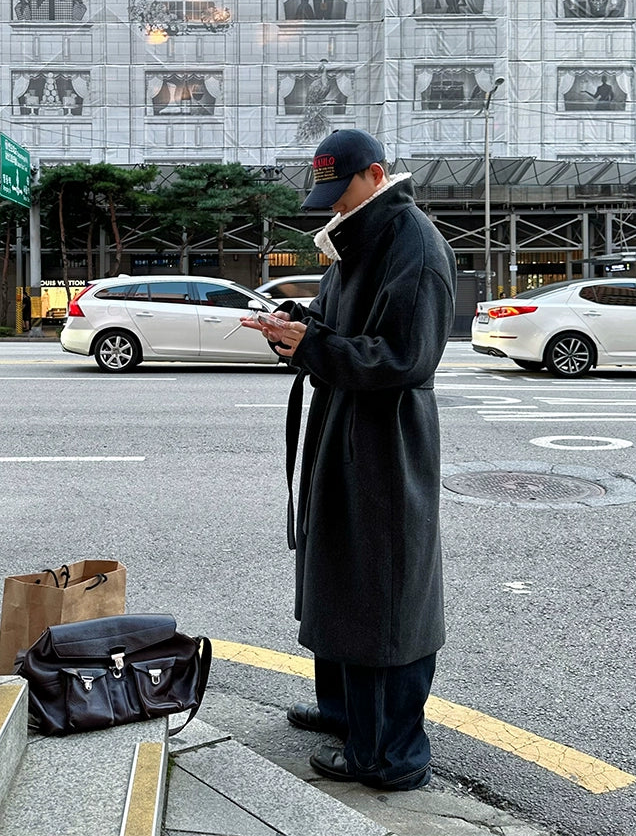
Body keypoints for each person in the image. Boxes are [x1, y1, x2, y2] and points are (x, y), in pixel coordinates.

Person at [242, 128, 456, 791]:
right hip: (345, 424)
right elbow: (343, 328)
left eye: (341, 193)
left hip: (384, 439)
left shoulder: (413, 247)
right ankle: (345, 714)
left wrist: (312, 344)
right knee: (339, 573)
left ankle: (389, 756)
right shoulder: (362, 241)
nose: (334, 208)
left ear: (376, 175)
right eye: (327, 197)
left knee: (380, 589)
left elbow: (403, 358)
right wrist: (298, 325)